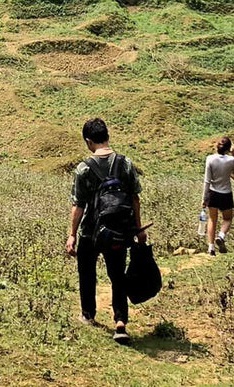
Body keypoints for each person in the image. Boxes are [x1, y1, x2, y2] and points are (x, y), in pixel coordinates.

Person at [66, 117, 144, 345]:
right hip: (119, 230)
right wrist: (138, 229)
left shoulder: (84, 169)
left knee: (87, 272)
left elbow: (78, 204)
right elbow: (135, 198)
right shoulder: (125, 163)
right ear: (108, 137)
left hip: (91, 230)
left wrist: (72, 233)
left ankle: (88, 314)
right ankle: (120, 321)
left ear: (89, 141)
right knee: (117, 275)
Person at [201, 136, 234, 255]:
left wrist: (204, 197)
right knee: (227, 218)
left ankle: (211, 247)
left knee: (212, 219)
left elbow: (207, 180)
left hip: (212, 192)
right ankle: (221, 235)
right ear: (228, 148)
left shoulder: (210, 159)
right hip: (226, 193)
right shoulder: (230, 160)